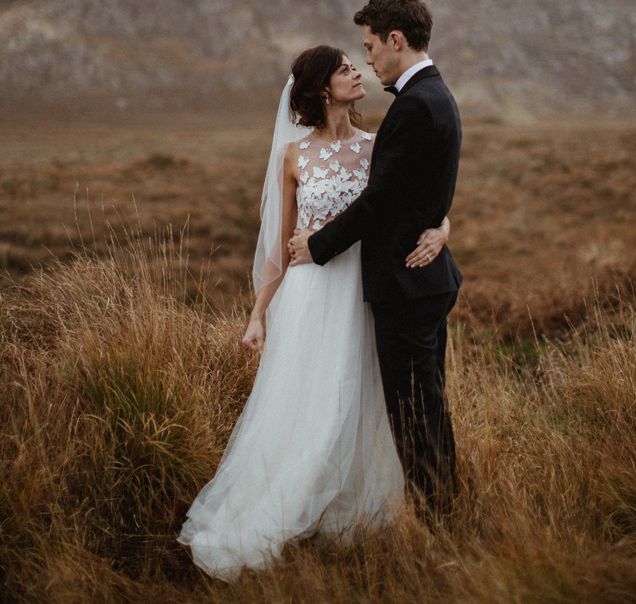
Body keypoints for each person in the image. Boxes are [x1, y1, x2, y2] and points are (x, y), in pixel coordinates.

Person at [177, 44, 451, 580]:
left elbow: (426, 201)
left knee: (362, 397)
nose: (357, 71)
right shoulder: (294, 156)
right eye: (345, 68)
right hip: (308, 297)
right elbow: (281, 247)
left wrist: (442, 230)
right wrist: (258, 314)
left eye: (357, 62)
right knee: (312, 407)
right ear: (322, 88)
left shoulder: (378, 146)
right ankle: (284, 507)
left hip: (362, 289)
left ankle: (352, 511)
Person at [289, 0, 463, 519]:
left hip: (406, 284)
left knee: (413, 414)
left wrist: (317, 246)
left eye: (368, 47)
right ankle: (449, 511)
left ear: (395, 40)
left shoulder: (414, 105)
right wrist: (441, 222)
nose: (367, 61)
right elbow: (422, 188)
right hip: (423, 278)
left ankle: (439, 524)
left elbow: (382, 198)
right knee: (429, 407)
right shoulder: (436, 94)